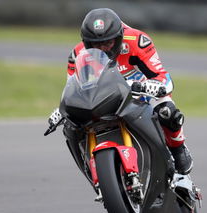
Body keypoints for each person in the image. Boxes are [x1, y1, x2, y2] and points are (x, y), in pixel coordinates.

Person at [49, 8, 193, 175]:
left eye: (108, 43)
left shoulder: (137, 40)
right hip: (102, 98)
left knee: (167, 111)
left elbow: (163, 77)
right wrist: (63, 109)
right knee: (71, 126)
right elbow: (73, 88)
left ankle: (178, 149)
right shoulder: (77, 54)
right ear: (87, 43)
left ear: (118, 38)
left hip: (139, 92)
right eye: (96, 44)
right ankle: (91, 168)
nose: (103, 49)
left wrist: (153, 86)